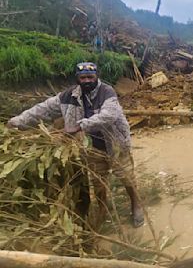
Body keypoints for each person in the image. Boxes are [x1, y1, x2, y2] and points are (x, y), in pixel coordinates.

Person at [7, 62, 144, 227]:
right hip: (91, 147)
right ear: (77, 78)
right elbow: (43, 109)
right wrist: (17, 121)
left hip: (115, 144)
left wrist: (79, 126)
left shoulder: (106, 92)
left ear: (96, 77)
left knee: (126, 177)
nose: (87, 80)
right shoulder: (68, 96)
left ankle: (136, 205)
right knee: (98, 181)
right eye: (83, 77)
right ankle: (102, 209)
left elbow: (109, 115)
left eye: (90, 77)